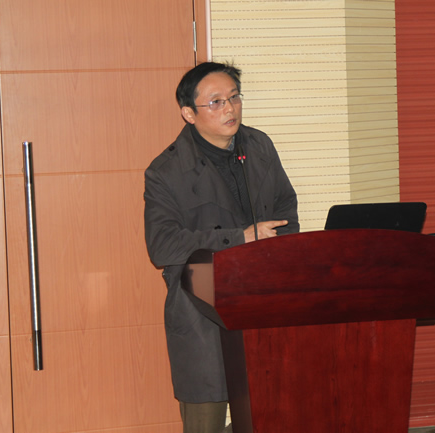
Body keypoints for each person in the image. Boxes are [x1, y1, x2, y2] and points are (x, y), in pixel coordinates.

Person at [143, 61, 299, 433]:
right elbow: (162, 246)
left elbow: (285, 209)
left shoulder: (258, 146)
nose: (229, 108)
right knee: (206, 422)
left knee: (274, 415)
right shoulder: (166, 171)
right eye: (216, 102)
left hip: (262, 298)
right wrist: (238, 237)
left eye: (234, 97)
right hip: (201, 304)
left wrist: (284, 261)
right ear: (188, 113)